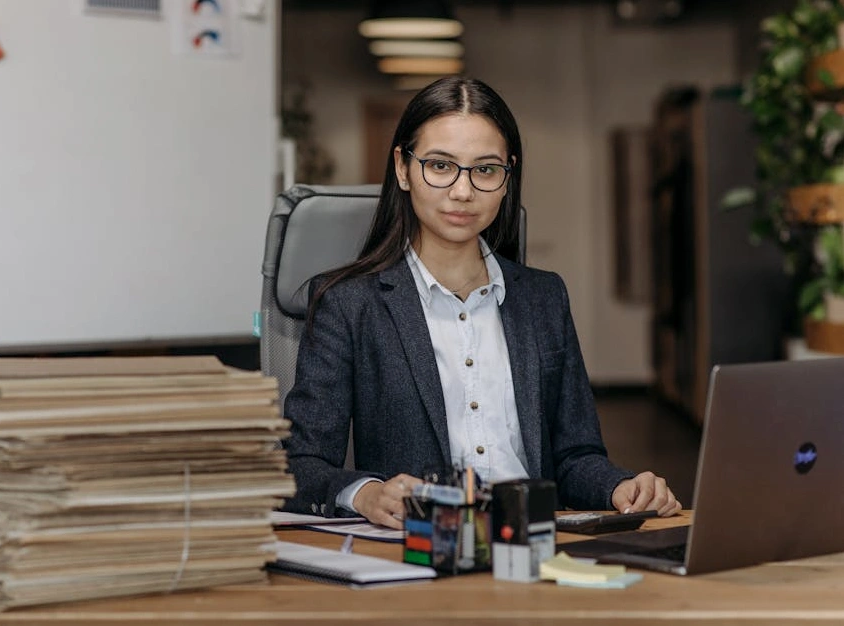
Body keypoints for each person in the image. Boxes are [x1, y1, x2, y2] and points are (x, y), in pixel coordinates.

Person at [282, 76, 681, 529]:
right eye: (440, 165)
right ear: (402, 168)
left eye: (485, 170)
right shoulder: (349, 304)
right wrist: (367, 494)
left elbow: (574, 457)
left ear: (508, 177)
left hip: (534, 549)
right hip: (422, 554)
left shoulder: (543, 298)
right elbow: (301, 465)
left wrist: (619, 487)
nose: (463, 191)